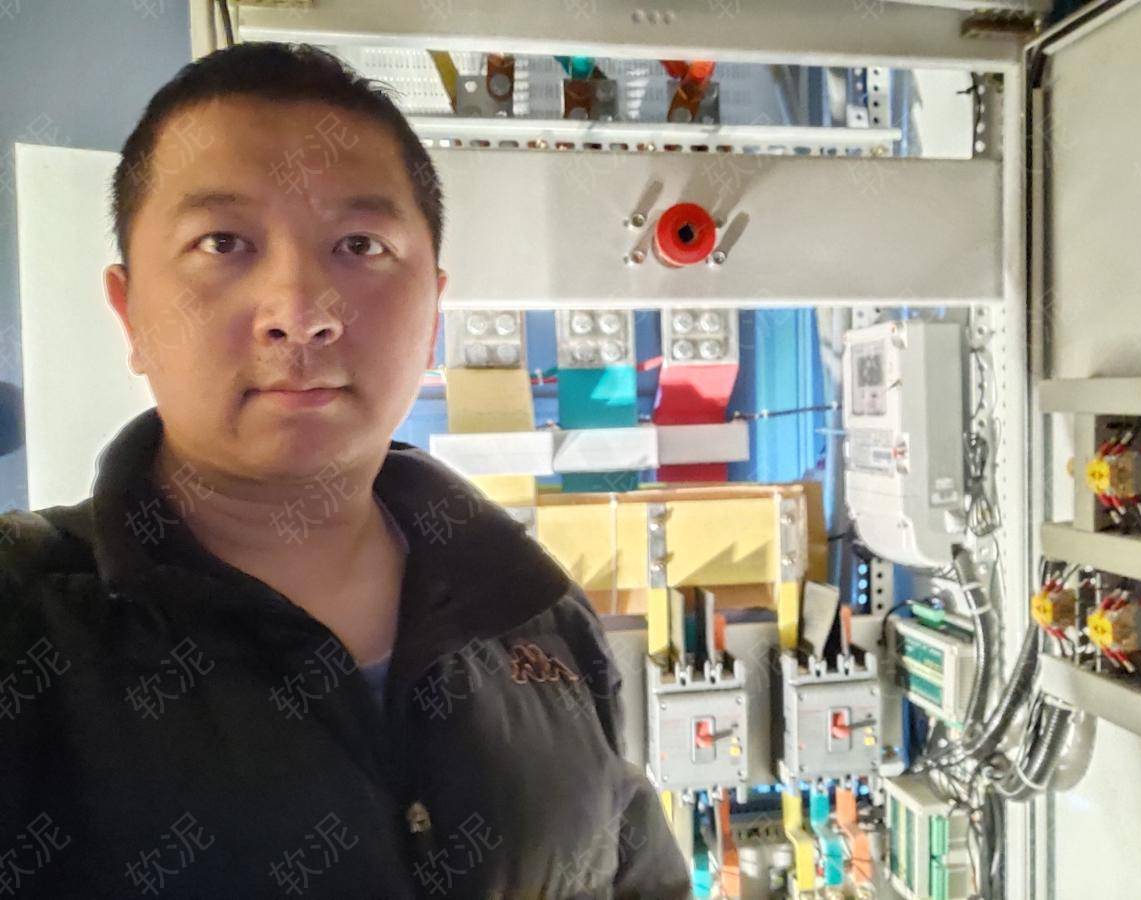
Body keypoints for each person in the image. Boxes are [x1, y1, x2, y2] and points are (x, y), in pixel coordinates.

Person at [0, 41, 691, 899]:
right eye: (223, 242)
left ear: (433, 316)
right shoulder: (27, 626)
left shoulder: (538, 618)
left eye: (360, 244)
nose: (300, 312)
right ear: (130, 312)